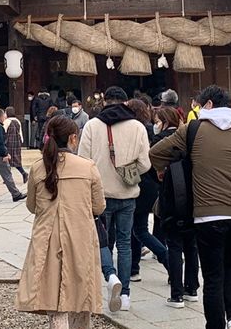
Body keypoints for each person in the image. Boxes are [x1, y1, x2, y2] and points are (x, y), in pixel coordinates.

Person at [150, 84, 231, 329]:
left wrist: (184, 165)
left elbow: (157, 153)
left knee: (212, 278)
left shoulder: (194, 129)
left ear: (207, 105)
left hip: (208, 215)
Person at [16, 114, 106, 329]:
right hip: (80, 236)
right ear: (73, 138)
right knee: (82, 295)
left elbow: (31, 205)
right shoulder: (87, 167)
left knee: (57, 302)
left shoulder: (38, 169)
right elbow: (99, 206)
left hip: (48, 239)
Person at [78, 86, 151, 313]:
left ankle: (110, 277)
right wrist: (130, 174)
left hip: (100, 194)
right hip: (128, 194)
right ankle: (126, 294)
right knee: (126, 244)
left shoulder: (92, 125)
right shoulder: (137, 127)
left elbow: (83, 161)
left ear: (105, 101)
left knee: (101, 241)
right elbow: (146, 163)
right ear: (126, 102)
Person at [152, 107, 199, 307]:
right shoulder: (196, 148)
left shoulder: (164, 147)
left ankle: (176, 293)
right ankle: (192, 288)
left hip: (172, 199)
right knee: (191, 245)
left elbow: (153, 153)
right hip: (194, 198)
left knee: (174, 245)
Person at [128, 98, 169, 282]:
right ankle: (133, 268)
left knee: (138, 229)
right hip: (148, 184)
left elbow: (144, 160)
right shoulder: (146, 129)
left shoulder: (135, 130)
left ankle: (165, 257)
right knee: (138, 227)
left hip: (139, 182)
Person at [5, 106, 27, 181]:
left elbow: (4, 131)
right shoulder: (17, 121)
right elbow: (20, 132)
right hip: (17, 142)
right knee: (16, 159)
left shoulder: (7, 121)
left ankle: (8, 177)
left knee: (7, 160)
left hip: (9, 143)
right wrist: (21, 141)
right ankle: (23, 173)